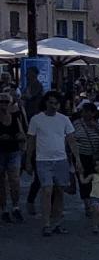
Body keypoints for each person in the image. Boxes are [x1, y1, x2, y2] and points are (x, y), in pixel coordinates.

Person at [30, 92, 78, 237]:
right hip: (43, 160)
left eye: (56, 103)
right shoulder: (36, 119)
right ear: (46, 103)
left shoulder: (64, 119)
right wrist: (27, 160)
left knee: (59, 192)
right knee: (47, 190)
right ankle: (46, 224)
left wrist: (78, 160)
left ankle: (57, 222)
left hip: (61, 160)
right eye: (50, 102)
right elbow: (31, 140)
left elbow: (71, 140)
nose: (53, 106)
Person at [0, 81, 24, 222]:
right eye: (1, 101)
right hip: (1, 151)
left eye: (5, 101)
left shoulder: (16, 116)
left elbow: (21, 133)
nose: (3, 104)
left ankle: (15, 207)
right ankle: (4, 209)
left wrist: (19, 138)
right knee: (1, 181)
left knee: (14, 180)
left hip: (13, 150)